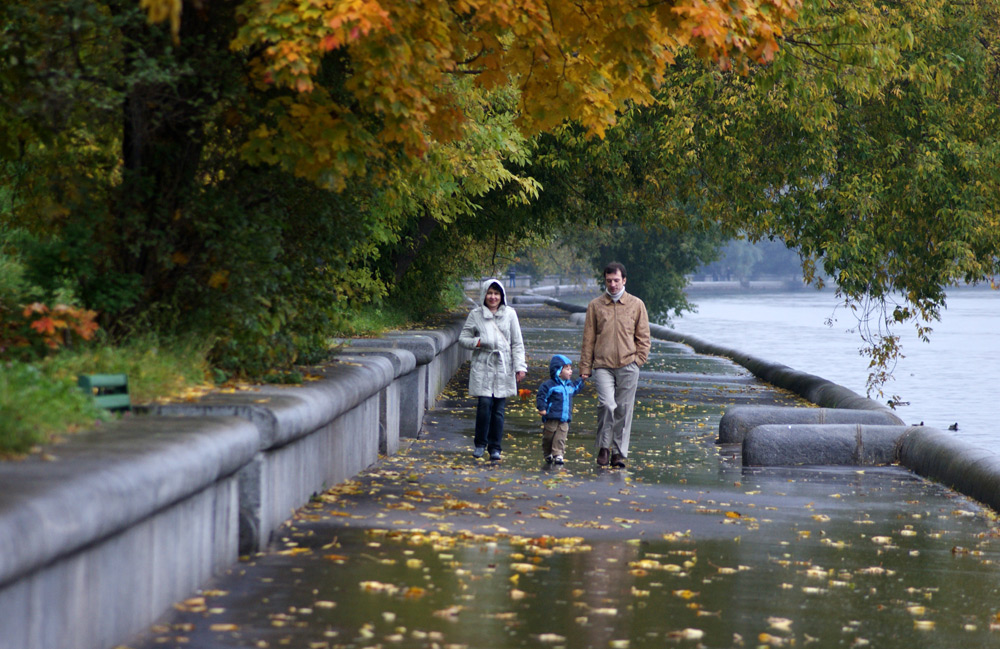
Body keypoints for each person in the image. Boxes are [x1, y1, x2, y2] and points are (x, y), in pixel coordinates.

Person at [579, 262, 650, 468]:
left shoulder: (636, 305)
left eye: (616, 280)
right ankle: (604, 446)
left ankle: (619, 453)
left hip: (629, 364)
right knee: (607, 405)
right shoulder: (596, 305)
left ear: (624, 280)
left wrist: (638, 360)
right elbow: (588, 338)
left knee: (624, 410)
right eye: (609, 280)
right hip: (603, 365)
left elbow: (644, 336)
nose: (612, 284)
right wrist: (585, 367)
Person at [459, 278, 527, 461]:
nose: (493, 297)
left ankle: (495, 447)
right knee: (484, 405)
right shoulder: (475, 314)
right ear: (484, 294)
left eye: (496, 293)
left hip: (504, 365)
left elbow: (517, 343)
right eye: (490, 293)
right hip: (483, 364)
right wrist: (478, 342)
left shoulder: (511, 314)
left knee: (499, 409)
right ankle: (480, 444)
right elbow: (463, 338)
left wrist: (520, 367)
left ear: (502, 295)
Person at [536, 354, 586, 465]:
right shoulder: (549, 385)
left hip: (564, 418)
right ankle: (547, 453)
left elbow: (575, 389)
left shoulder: (569, 386)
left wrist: (581, 380)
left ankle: (558, 454)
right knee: (549, 437)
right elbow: (542, 396)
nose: (571, 371)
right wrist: (542, 408)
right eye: (567, 369)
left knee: (560, 437)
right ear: (558, 371)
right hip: (551, 417)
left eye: (571, 369)